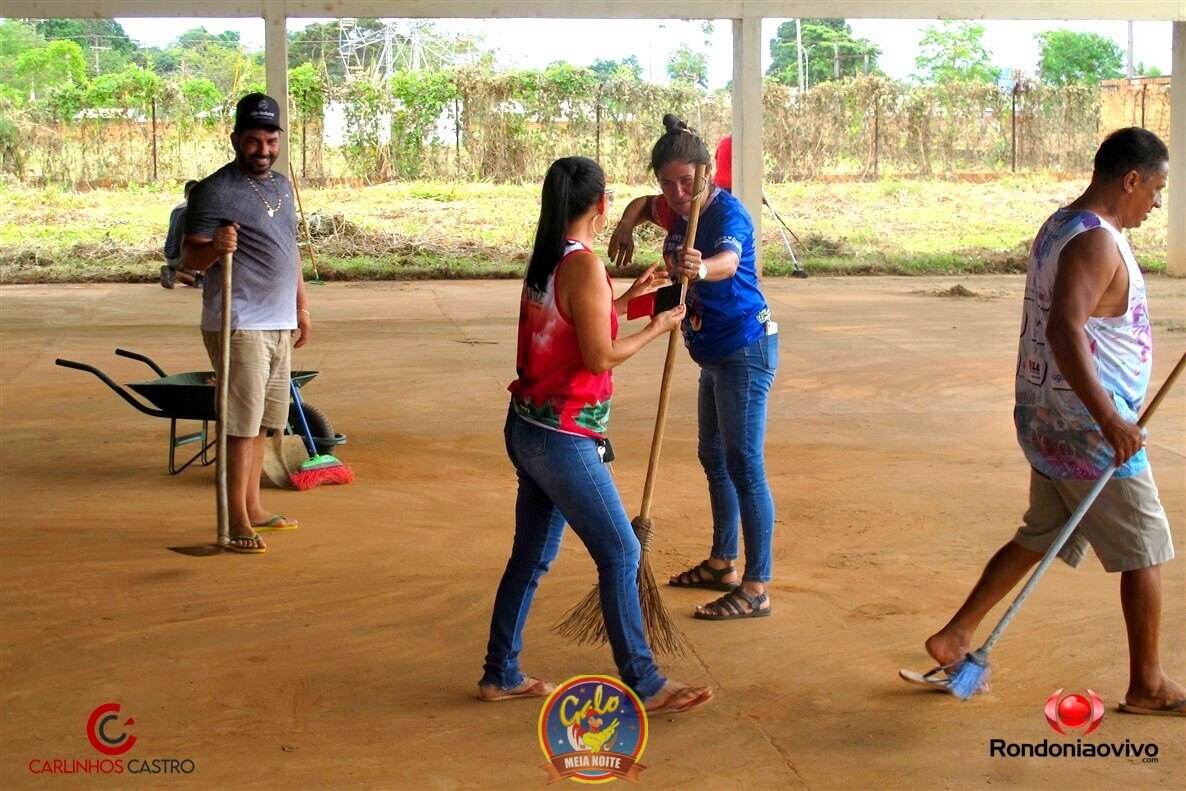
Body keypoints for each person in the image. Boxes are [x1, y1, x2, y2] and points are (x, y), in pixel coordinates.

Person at [915, 127, 1182, 716]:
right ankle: (1148, 684)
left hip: (1053, 418)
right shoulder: (1096, 242)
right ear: (1130, 180)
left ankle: (956, 635)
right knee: (1145, 549)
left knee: (1042, 531)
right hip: (1089, 428)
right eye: (1156, 188)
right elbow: (1064, 329)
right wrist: (1110, 417)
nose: (1158, 202)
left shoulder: (1064, 224)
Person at [479, 155, 713, 715]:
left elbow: (576, 322)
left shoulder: (551, 256)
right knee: (621, 550)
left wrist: (629, 297)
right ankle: (646, 682)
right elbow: (598, 355)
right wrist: (657, 326)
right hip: (562, 436)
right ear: (602, 204)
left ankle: (500, 673)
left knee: (532, 556)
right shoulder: (583, 265)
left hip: (529, 426)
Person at [608, 115, 778, 622]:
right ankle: (723, 562)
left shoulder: (728, 215)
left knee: (743, 462)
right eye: (668, 183)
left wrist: (698, 267)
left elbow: (728, 262)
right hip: (711, 352)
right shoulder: (670, 206)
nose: (677, 194)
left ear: (706, 173)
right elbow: (643, 205)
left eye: (687, 181)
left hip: (745, 349)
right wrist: (625, 225)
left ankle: (756, 586)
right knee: (714, 456)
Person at [181, 92, 311, 554]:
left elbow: (290, 250)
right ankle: (235, 519)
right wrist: (215, 247)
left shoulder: (282, 186)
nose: (263, 150)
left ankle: (253, 506)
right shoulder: (214, 190)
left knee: (261, 425)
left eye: (271, 141)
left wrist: (302, 307)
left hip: (278, 321)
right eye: (253, 141)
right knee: (240, 426)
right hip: (239, 322)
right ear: (236, 139)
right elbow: (190, 258)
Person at [161, 180, 202, 288]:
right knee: (220, 243)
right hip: (185, 257)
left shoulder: (176, 209)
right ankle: (202, 278)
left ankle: (173, 272)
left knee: (194, 280)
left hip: (170, 256)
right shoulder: (200, 209)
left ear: (185, 195)